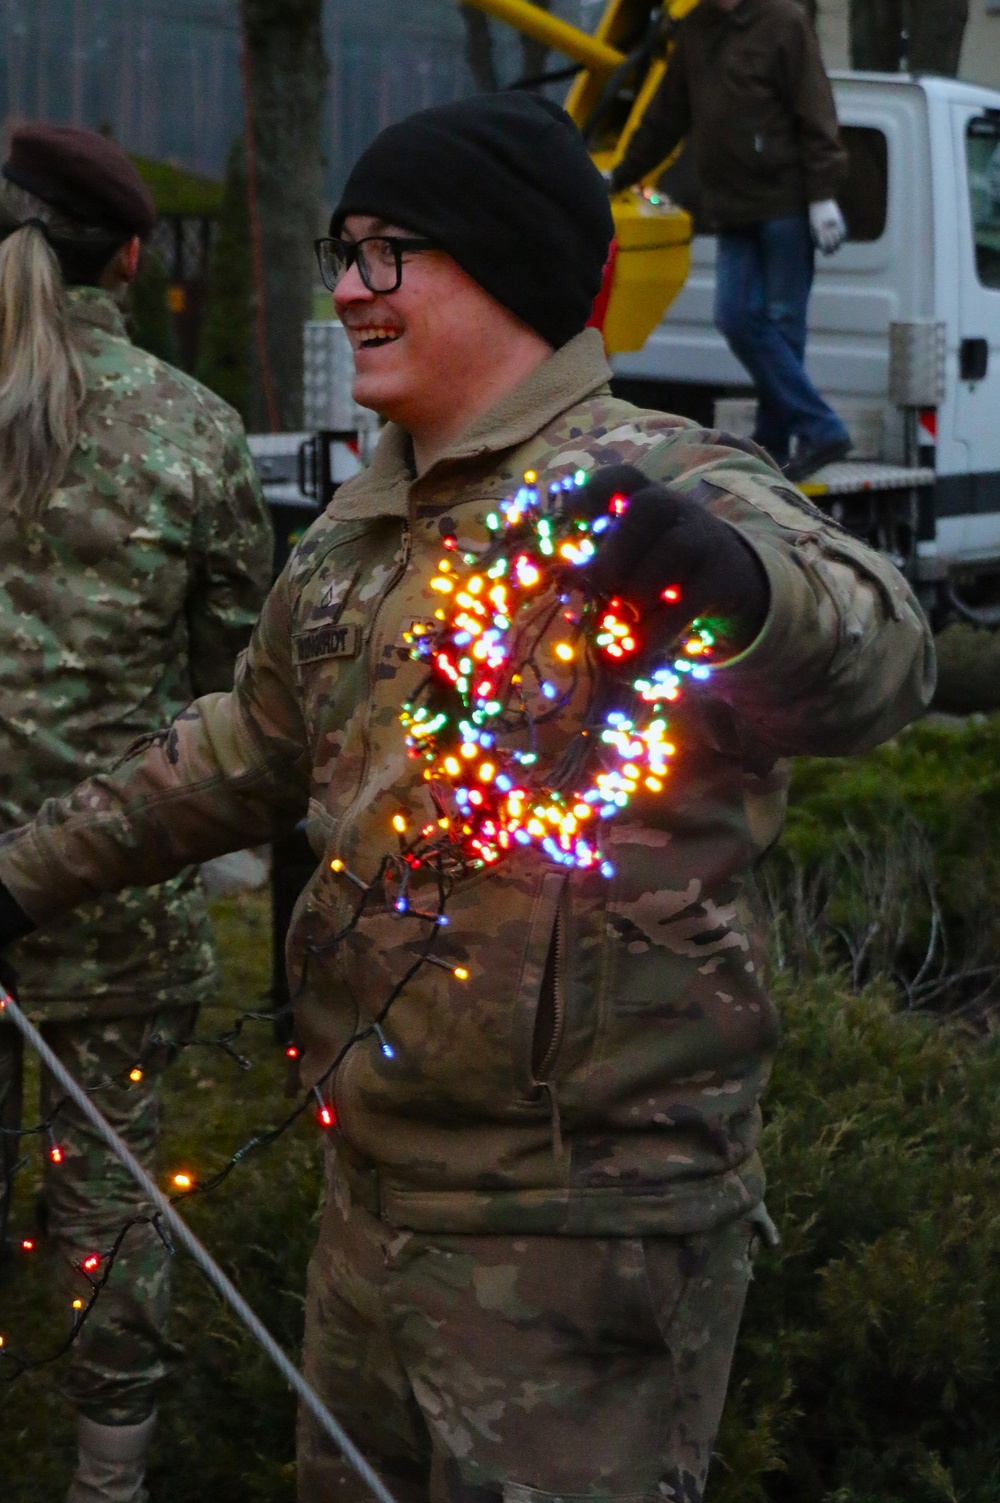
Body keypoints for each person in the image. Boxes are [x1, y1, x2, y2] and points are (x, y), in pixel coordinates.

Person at [0, 94, 933, 1503]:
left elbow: (882, 647)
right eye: (342, 252)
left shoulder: (649, 480)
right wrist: (15, 874)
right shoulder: (356, 530)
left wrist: (731, 589)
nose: (350, 289)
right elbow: (227, 753)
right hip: (367, 1191)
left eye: (389, 253)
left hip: (581, 1224)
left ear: (502, 261)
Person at [0, 125, 271, 1502]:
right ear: (130, 253)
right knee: (106, 1202)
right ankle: (107, 1483)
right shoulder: (190, 427)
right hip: (116, 899)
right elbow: (246, 686)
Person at [607, 0, 853, 481]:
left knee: (780, 329)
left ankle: (776, 445)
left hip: (785, 204)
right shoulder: (697, 31)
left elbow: (815, 108)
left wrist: (822, 194)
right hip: (734, 209)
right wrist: (619, 174)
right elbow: (665, 118)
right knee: (736, 318)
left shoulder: (783, 22)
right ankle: (821, 428)